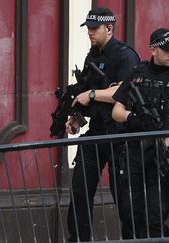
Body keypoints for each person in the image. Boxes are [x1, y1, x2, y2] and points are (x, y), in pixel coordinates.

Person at [111, 28, 169, 238]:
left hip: (163, 155)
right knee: (130, 212)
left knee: (155, 215)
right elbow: (117, 110)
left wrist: (166, 141)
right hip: (134, 153)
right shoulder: (137, 73)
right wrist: (133, 118)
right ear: (153, 50)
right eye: (167, 50)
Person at [65, 7, 140, 242]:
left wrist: (94, 94)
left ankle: (134, 238)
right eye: (87, 28)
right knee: (79, 191)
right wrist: (76, 119)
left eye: (94, 28)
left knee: (124, 197)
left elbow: (124, 91)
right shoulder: (92, 55)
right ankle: (78, 239)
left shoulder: (125, 55)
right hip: (97, 132)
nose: (89, 32)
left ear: (109, 28)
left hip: (121, 134)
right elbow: (86, 96)